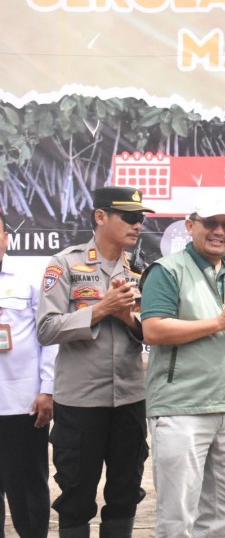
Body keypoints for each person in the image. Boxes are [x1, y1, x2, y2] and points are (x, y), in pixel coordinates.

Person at [140, 193, 225, 537]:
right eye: (210, 223)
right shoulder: (166, 270)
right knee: (179, 513)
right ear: (190, 226)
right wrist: (220, 321)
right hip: (181, 406)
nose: (219, 231)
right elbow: (153, 329)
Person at [37, 186, 153, 538]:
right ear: (100, 217)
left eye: (141, 218)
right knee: (75, 494)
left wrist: (125, 317)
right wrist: (102, 309)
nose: (138, 225)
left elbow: (149, 331)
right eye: (130, 217)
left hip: (130, 400)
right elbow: (45, 328)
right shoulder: (64, 264)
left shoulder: (141, 269)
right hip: (80, 404)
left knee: (125, 492)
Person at [0, 212, 57, 538]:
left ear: (7, 236)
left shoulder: (30, 276)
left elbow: (49, 338)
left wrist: (47, 390)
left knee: (28, 485)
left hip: (23, 405)